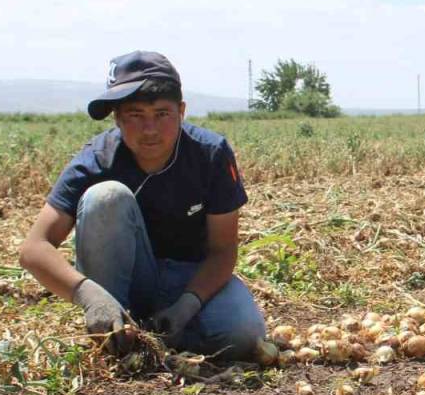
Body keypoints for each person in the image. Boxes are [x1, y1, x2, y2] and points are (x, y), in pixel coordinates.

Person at [19, 51, 266, 360]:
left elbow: (223, 249)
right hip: (123, 283)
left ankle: (156, 337)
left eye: (162, 114)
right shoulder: (98, 159)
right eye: (135, 115)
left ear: (182, 111)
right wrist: (89, 296)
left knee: (244, 335)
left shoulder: (209, 154)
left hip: (189, 278)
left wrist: (188, 305)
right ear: (117, 118)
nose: (150, 130)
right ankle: (116, 326)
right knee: (106, 197)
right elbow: (34, 248)